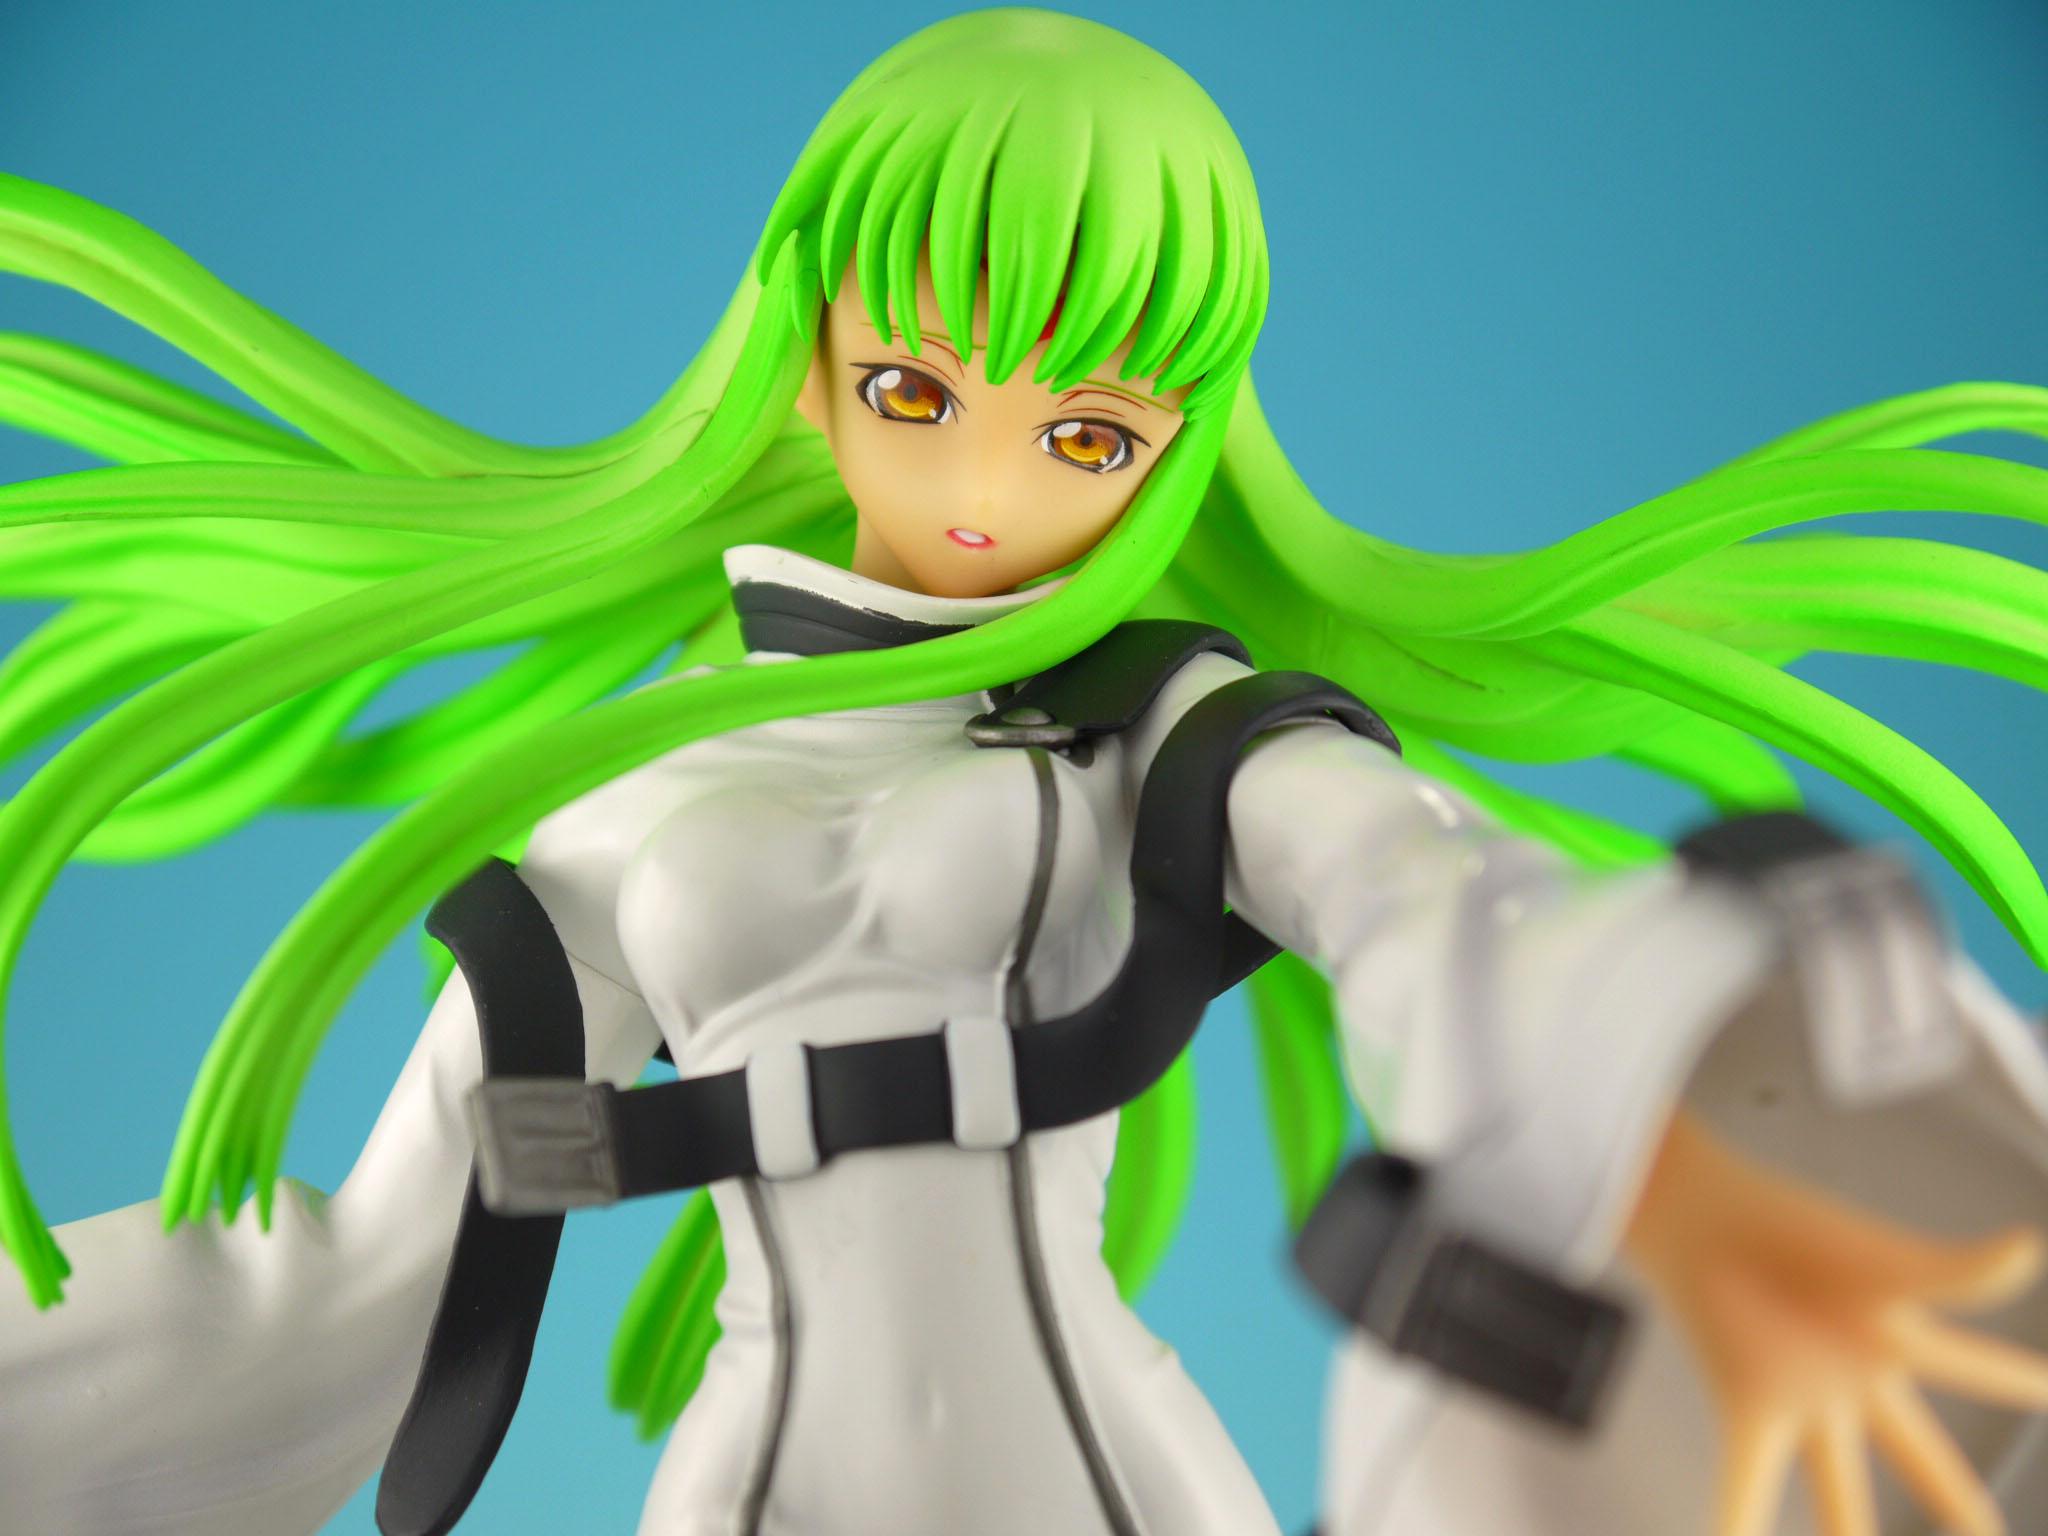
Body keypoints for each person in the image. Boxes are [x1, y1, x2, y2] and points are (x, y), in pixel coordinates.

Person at [0, 10, 2044, 1535]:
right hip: (753, 1484)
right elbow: (357, 1290)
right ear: (808, 367)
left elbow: (1435, 908)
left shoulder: (1161, 736)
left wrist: (1677, 1181)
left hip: (1112, 1475)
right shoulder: (631, 800)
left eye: (1086, 435)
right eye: (916, 387)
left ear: (1180, 447)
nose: (985, 486)